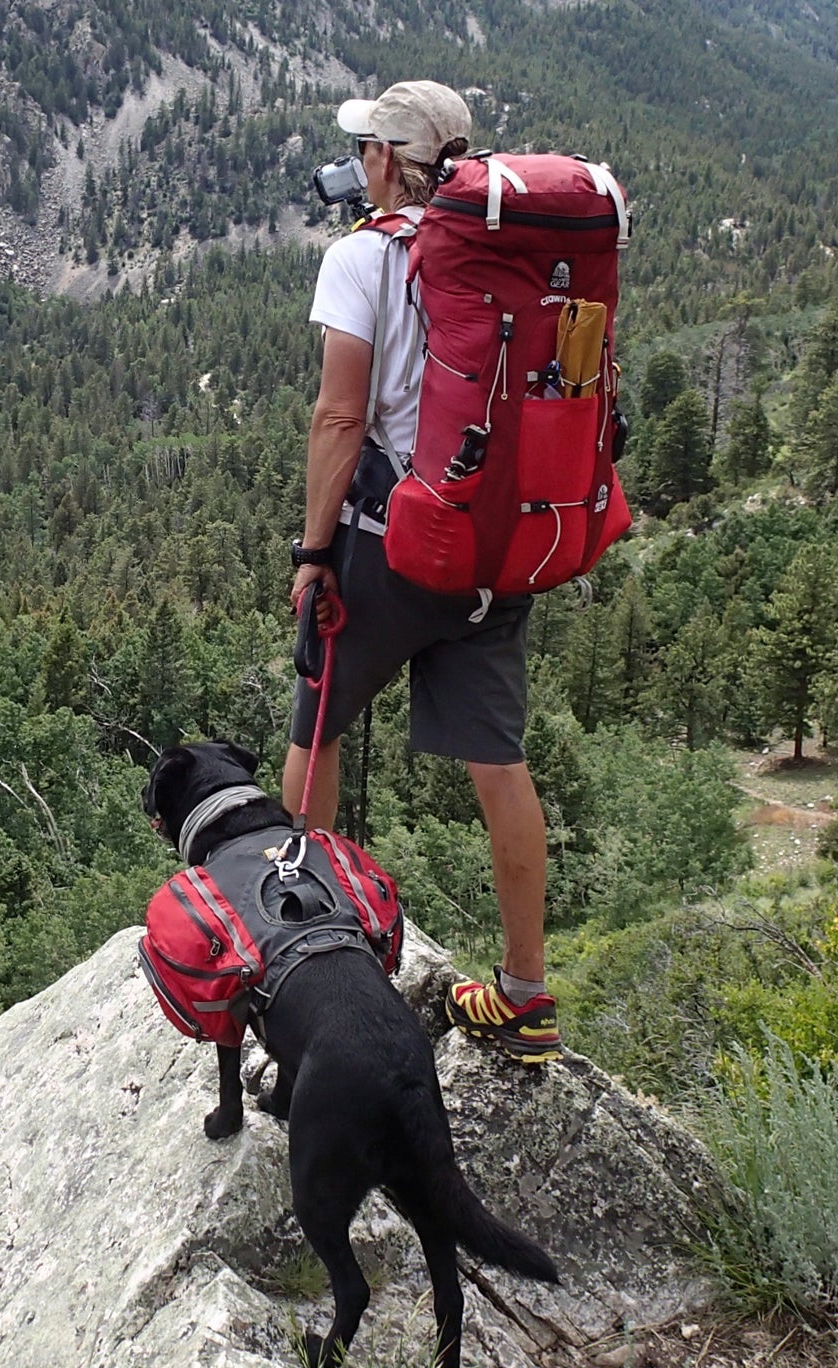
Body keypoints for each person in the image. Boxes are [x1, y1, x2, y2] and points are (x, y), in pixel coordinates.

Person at [282, 80, 561, 1065]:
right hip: (499, 549)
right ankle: (526, 999)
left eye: (365, 147)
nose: (356, 161)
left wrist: (316, 554)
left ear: (383, 163)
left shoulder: (362, 257)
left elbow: (339, 420)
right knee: (499, 761)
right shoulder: (512, 252)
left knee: (314, 735)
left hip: (393, 546)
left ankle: (315, 978)